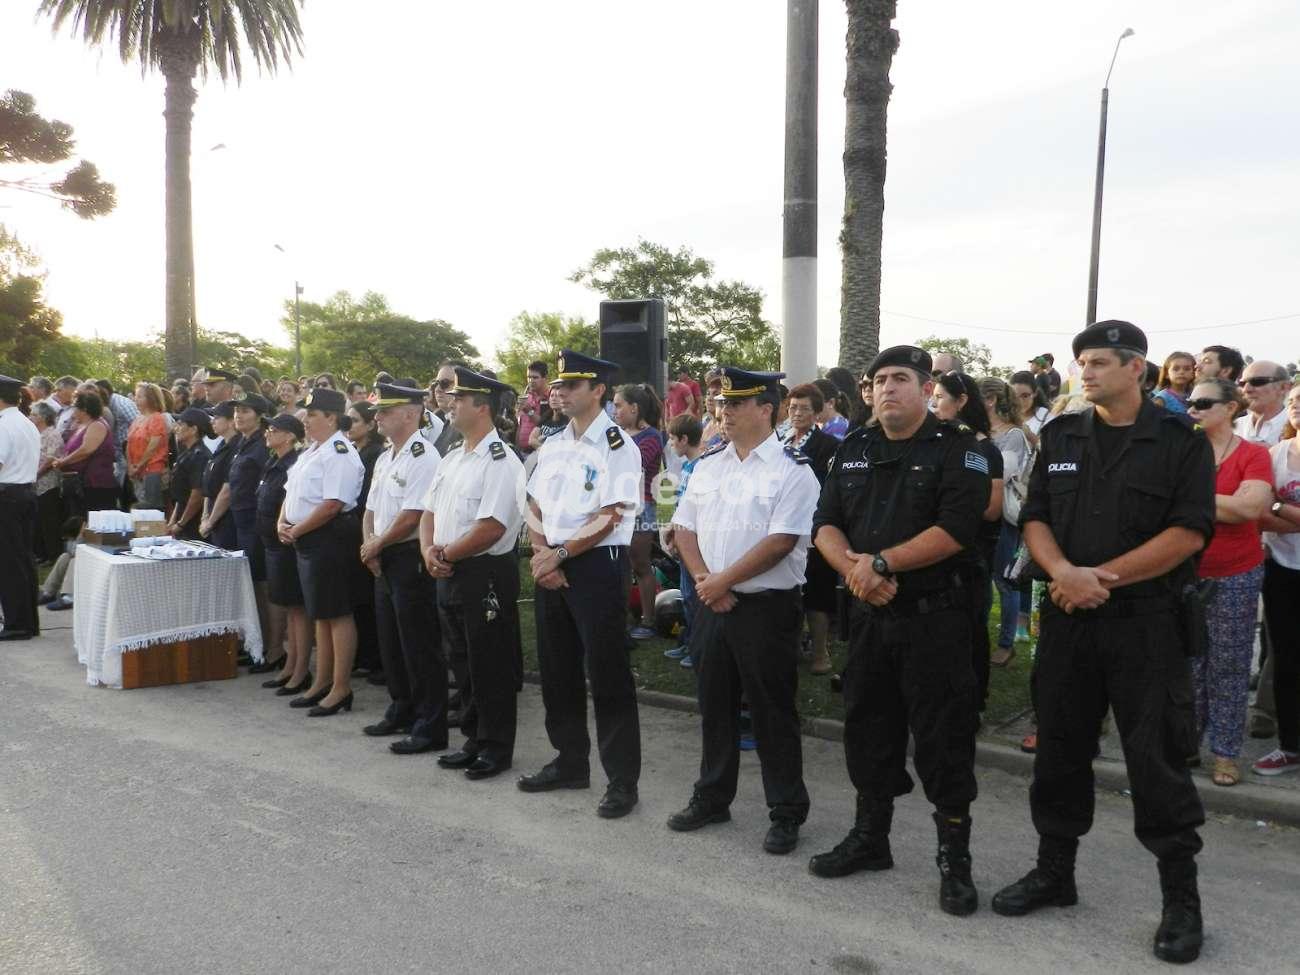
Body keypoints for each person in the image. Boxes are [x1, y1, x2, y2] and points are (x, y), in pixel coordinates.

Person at [991, 321, 1213, 966]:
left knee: (1157, 758)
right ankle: (1054, 872)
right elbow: (1036, 517)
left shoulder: (1179, 440)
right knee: (1059, 751)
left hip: (1146, 624)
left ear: (1136, 368)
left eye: (1097, 363)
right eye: (1080, 363)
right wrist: (1064, 573)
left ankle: (1181, 900)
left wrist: (1098, 579)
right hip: (1069, 619)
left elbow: (1189, 531)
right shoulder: (1063, 434)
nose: (1084, 373)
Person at [807, 346, 988, 918]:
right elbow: (825, 523)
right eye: (879, 379)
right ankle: (871, 839)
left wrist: (881, 564)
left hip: (936, 620)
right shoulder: (855, 447)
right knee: (868, 728)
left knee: (943, 739)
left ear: (927, 388)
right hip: (869, 616)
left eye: (900, 378)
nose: (887, 387)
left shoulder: (959, 448)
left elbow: (957, 528)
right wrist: (857, 573)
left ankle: (954, 861)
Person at [666, 367, 820, 854]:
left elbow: (781, 541)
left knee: (773, 711)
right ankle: (713, 796)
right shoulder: (710, 465)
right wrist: (706, 582)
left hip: (765, 609)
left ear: (766, 409)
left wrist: (722, 581)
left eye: (735, 404)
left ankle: (786, 810)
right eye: (722, 404)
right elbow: (684, 528)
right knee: (714, 704)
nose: (724, 412)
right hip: (711, 601)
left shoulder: (793, 470)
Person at [521, 350, 643, 818]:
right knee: (558, 670)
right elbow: (534, 504)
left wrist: (560, 554)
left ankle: (622, 780)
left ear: (598, 390)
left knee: (607, 674)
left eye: (572, 385)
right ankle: (570, 761)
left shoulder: (617, 445)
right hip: (551, 562)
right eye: (559, 385)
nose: (560, 392)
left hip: (595, 565)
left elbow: (612, 514)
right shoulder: (553, 444)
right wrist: (542, 554)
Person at [422, 368, 527, 779]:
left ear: (482, 407)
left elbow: (492, 527)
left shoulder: (501, 461)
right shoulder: (452, 458)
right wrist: (429, 550)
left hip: (484, 572)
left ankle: (495, 747)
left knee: (489, 663)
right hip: (448, 567)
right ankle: (472, 738)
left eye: (460, 399)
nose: (451, 403)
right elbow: (429, 511)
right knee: (461, 660)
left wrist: (444, 553)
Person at [1184, 378, 1272, 786]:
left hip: (1235, 572)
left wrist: (1190, 498)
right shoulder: (1185, 450)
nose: (1193, 409)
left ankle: (1225, 753)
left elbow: (1250, 508)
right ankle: (1186, 743)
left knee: (1229, 666)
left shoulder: (1253, 454)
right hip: (1182, 569)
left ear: (1230, 408)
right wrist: (1224, 502)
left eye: (1203, 403)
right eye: (1190, 402)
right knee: (1186, 664)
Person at [359, 383, 446, 755]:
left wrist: (376, 544)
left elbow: (413, 514)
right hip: (382, 555)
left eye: (386, 410)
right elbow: (370, 509)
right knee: (391, 640)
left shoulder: (424, 456)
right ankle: (402, 707)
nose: (377, 417)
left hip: (409, 557)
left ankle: (430, 724)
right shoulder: (385, 457)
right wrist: (369, 545)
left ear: (411, 413)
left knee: (419, 643)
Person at [278, 386, 365, 717]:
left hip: (329, 537)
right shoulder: (313, 450)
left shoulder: (340, 452)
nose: (305, 420)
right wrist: (282, 522)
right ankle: (321, 682)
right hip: (306, 537)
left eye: (312, 414)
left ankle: (341, 687)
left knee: (337, 612)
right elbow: (291, 492)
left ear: (331, 418)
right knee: (320, 613)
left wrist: (297, 529)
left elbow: (333, 504)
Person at [932, 372, 1003, 707]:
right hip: (937, 557)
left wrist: (954, 507)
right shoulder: (937, 444)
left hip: (972, 554)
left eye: (940, 398)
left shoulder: (985, 450)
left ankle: (974, 698)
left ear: (961, 401)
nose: (934, 405)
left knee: (971, 627)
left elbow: (992, 509)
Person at [1254, 382, 1300, 776]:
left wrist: (1278, 506)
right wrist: (1275, 509)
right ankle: (1291, 746)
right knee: (1286, 659)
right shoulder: (1275, 454)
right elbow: (1257, 510)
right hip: (1281, 567)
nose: (1297, 405)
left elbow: (1269, 506)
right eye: (1294, 401)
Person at [783, 383, 840, 674]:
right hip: (783, 527)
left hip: (814, 528)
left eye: (804, 408)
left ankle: (820, 652)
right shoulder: (779, 441)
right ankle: (791, 647)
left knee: (817, 592)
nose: (796, 413)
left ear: (817, 413)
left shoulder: (828, 445)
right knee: (788, 590)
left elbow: (830, 489)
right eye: (792, 407)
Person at [257, 413, 313, 697]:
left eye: (274, 429)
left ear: (290, 436)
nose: (268, 432)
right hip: (273, 545)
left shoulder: (294, 463)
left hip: (287, 545)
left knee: (298, 609)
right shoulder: (274, 462)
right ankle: (290, 664)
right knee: (289, 608)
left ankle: (301, 669)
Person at [981, 377, 1030, 667]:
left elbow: (1003, 470)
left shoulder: (1013, 435)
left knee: (1004, 580)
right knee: (983, 579)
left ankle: (1006, 644)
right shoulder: (980, 431)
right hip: (979, 514)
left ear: (990, 400)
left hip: (1003, 517)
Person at [613, 383, 665, 640]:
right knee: (620, 564)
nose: (614, 411)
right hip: (618, 506)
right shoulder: (617, 434)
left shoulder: (651, 436)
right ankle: (622, 618)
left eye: (619, 405)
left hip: (641, 508)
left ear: (634, 408)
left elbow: (633, 465)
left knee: (640, 564)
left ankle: (648, 620)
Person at [228, 395, 274, 670]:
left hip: (255, 523)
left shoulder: (261, 445)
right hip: (241, 521)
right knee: (250, 586)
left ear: (259, 416)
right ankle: (255, 644)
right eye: (236, 411)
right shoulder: (242, 442)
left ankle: (268, 647)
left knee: (260, 587)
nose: (238, 416)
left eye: (245, 411)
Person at [661, 413, 707, 666]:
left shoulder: (702, 467)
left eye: (672, 439)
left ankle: (698, 647)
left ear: (684, 439)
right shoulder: (689, 466)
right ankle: (688, 641)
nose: (670, 444)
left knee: (695, 596)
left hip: (695, 542)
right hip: (682, 535)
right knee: (687, 594)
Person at [346, 399, 387, 676]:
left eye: (355, 420)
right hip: (357, 532)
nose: (349, 425)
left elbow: (366, 500)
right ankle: (364, 654)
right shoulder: (356, 451)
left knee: (369, 600)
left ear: (371, 425)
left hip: (369, 533)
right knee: (359, 599)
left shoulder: (374, 454)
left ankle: (374, 658)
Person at [0, 375, 41, 641]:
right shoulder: (26, 423)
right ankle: (29, 621)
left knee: (9, 562)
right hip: (25, 493)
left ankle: (16, 623)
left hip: (7, 497)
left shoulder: (4, 425)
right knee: (24, 559)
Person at [50, 391, 117, 514]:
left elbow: (86, 450)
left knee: (92, 518)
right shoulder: (81, 425)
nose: (73, 411)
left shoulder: (97, 425)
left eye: (75, 407)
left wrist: (63, 462)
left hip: (96, 484)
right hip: (80, 484)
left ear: (84, 409)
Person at [199, 401, 241, 549]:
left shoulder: (236, 447)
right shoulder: (222, 444)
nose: (212, 421)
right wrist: (205, 516)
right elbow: (207, 485)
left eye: (217, 418)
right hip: (212, 512)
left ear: (231, 421)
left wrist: (210, 522)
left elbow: (226, 489)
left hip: (225, 516)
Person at [165, 408, 212, 540]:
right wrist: (173, 520)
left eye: (181, 424)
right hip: (182, 516)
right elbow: (180, 496)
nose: (176, 428)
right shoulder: (186, 453)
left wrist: (181, 523)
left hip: (193, 522)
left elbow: (197, 494)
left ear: (193, 429)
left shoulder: (200, 456)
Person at [30, 401, 65, 563]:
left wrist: (36, 474)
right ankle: (41, 553)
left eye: (34, 414)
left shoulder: (52, 434)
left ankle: (53, 554)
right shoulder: (35, 433)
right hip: (35, 484)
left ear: (43, 417)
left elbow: (50, 459)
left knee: (49, 520)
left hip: (48, 484)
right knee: (38, 521)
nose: (30, 417)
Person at [126, 382, 169, 510]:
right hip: (136, 470)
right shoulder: (137, 419)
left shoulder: (157, 418)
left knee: (151, 506)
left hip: (152, 469)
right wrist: (130, 466)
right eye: (136, 396)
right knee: (139, 504)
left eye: (140, 396)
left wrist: (139, 465)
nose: (136, 399)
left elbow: (153, 446)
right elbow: (129, 443)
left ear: (150, 399)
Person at [1234, 360, 1289, 446]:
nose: (1246, 389)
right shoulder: (1233, 427)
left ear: (1283, 388)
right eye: (1242, 384)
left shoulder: (1296, 428)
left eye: (1257, 382)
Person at [515, 360, 549, 455]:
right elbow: (520, 424)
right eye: (529, 377)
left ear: (545, 378)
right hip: (522, 452)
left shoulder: (551, 398)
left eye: (535, 377)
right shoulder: (527, 397)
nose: (531, 381)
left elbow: (546, 426)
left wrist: (529, 411)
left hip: (538, 452)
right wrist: (516, 449)